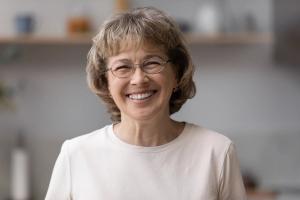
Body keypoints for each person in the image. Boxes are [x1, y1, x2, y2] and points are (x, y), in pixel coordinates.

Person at [45, 7, 246, 200]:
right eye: (123, 67)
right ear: (106, 82)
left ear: (176, 74)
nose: (139, 79)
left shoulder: (217, 152)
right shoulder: (76, 155)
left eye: (152, 63)